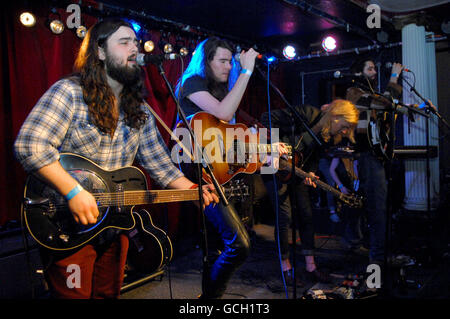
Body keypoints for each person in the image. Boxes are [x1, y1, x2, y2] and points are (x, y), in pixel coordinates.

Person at [13, 19, 218, 299]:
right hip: (65, 222)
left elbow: (161, 166)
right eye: (124, 42)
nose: (134, 48)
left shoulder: (139, 109)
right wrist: (73, 191)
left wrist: (193, 191)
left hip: (114, 223)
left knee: (107, 295)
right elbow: (29, 145)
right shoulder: (70, 93)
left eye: (135, 42)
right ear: (99, 51)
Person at [175, 37, 287, 299]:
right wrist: (246, 71)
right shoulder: (192, 83)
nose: (227, 66)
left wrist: (264, 152)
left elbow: (228, 144)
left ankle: (210, 300)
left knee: (216, 246)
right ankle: (210, 299)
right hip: (198, 174)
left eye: (229, 61)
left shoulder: (221, 91)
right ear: (206, 61)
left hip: (218, 170)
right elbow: (224, 114)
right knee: (239, 244)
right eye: (222, 61)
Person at [260, 99, 359, 285]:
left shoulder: (327, 135)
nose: (345, 132)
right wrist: (275, 145)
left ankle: (311, 266)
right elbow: (266, 117)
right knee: (284, 216)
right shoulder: (308, 114)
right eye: (345, 127)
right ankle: (286, 268)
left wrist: (311, 172)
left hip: (297, 168)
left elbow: (313, 156)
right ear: (336, 117)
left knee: (306, 214)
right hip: (273, 163)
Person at [345, 57, 404, 268]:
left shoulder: (371, 94)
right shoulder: (354, 93)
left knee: (384, 205)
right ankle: (378, 259)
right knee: (377, 208)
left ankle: (381, 253)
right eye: (369, 68)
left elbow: (386, 108)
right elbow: (384, 103)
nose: (374, 71)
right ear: (359, 73)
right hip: (368, 157)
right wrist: (394, 77)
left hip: (378, 155)